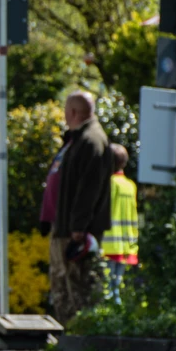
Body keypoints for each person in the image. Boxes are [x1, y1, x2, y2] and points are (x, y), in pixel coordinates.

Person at [48, 91, 113, 324]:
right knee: (62, 285)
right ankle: (66, 332)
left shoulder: (91, 140)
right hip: (64, 226)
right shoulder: (78, 139)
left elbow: (89, 188)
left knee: (76, 288)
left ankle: (79, 333)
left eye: (66, 111)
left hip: (75, 232)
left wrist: (78, 226)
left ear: (73, 112)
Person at [100, 143, 138, 305]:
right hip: (126, 244)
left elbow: (102, 211)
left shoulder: (108, 183)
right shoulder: (130, 185)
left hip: (108, 244)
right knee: (117, 287)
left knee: (106, 290)